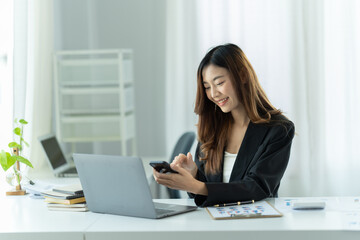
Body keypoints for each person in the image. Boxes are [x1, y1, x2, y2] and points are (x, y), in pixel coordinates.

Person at [153, 43, 295, 207]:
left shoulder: (279, 129)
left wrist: (195, 185)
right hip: (214, 224)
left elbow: (257, 187)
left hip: (256, 224)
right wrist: (193, 174)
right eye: (207, 87)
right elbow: (206, 190)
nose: (213, 94)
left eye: (219, 83)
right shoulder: (213, 128)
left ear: (242, 76)